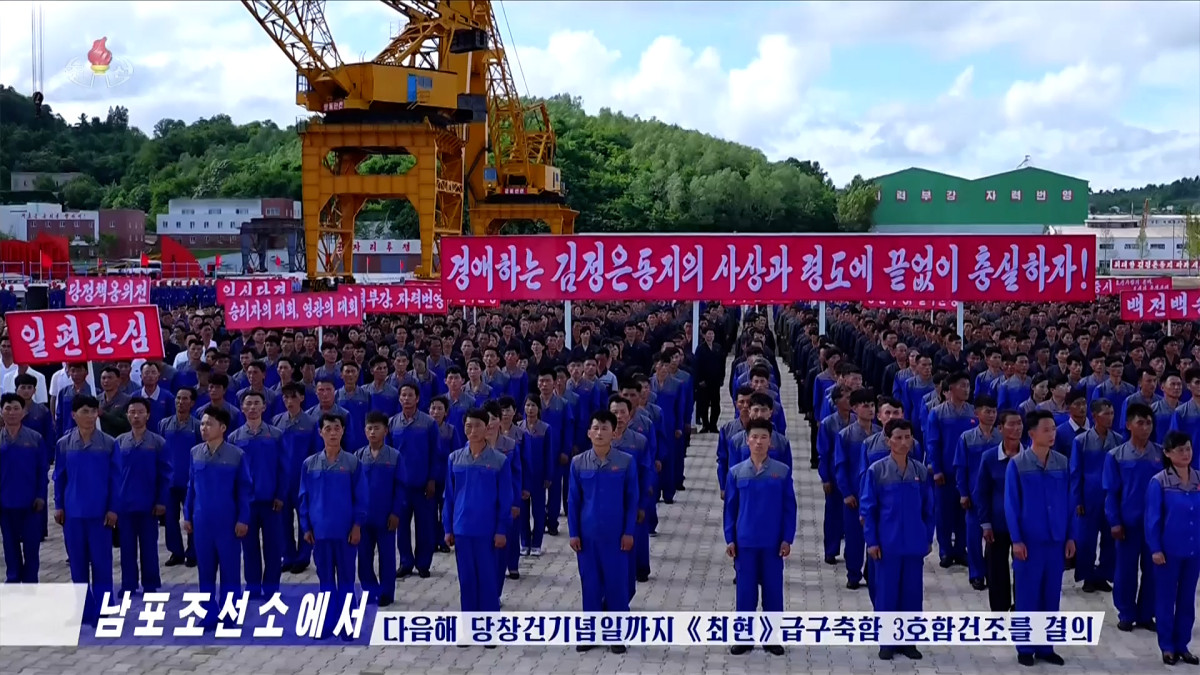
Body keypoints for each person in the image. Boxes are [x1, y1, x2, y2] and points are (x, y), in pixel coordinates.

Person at [1003, 409, 1074, 667]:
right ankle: (1025, 646)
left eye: (1054, 429)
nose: (1052, 434)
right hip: (1029, 542)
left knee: (1051, 595)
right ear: (1032, 433)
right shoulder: (1018, 464)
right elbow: (1011, 505)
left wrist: (1070, 536)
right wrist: (1017, 539)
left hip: (1055, 540)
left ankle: (1046, 646)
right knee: (1027, 595)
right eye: (1046, 429)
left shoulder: (1062, 463)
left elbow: (1069, 501)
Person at [860, 418, 933, 661]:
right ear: (887, 440)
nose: (904, 442)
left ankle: (909, 641)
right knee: (887, 593)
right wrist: (872, 541)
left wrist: (927, 537)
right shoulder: (877, 471)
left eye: (908, 437)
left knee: (912, 593)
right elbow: (868, 509)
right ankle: (887, 641)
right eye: (898, 437)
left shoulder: (920, 471)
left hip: (913, 543)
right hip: (886, 543)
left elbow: (928, 508)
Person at [722, 418, 794, 657]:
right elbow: (730, 509)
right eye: (754, 437)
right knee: (745, 592)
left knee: (773, 591)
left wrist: (787, 538)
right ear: (747, 440)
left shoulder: (781, 472)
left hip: (773, 543)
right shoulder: (736, 472)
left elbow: (789, 507)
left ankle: (772, 638)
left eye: (764, 437)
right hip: (745, 543)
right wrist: (729, 538)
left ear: (770, 441)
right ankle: (744, 638)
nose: (759, 442)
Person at [569, 410, 638, 654]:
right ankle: (589, 633)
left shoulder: (625, 462)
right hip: (587, 538)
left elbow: (632, 500)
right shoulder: (578, 463)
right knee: (590, 585)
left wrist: (629, 532)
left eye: (605, 428)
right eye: (595, 428)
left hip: (616, 536)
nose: (599, 433)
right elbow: (573, 501)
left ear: (614, 432)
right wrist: (573, 533)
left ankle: (617, 635)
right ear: (589, 432)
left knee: (616, 586)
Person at [299, 413, 368, 640]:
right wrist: (306, 526)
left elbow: (361, 497)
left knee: (347, 579)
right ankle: (326, 623)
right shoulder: (309, 464)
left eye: (336, 428)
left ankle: (348, 624)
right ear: (320, 432)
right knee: (325, 580)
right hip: (320, 533)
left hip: (346, 531)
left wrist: (357, 525)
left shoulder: (352, 462)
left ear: (343, 431)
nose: (332, 433)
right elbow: (304, 497)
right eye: (327, 429)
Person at [184, 406, 253, 629]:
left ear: (222, 428)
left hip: (228, 521)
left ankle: (230, 613)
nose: (204, 428)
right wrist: (187, 515)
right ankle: (208, 613)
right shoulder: (195, 452)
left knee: (230, 569)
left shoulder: (236, 455)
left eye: (209, 424)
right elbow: (190, 487)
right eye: (202, 424)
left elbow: (244, 489)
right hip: (202, 521)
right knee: (205, 570)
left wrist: (243, 518)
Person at [54, 395, 117, 624]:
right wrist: (59, 505)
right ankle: (83, 608)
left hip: (100, 514)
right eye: (84, 411)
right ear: (73, 415)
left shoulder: (109, 443)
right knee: (78, 565)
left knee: (102, 563)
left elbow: (115, 479)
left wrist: (112, 509)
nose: (89, 416)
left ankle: (105, 608)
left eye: (93, 411)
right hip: (73, 514)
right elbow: (59, 477)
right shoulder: (64, 444)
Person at [442, 408, 512, 616]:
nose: (473, 430)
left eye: (478, 425)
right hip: (462, 528)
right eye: (468, 426)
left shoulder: (499, 460)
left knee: (488, 578)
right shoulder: (454, 459)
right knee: (467, 579)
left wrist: (501, 529)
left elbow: (505, 498)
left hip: (487, 530)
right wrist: (448, 528)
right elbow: (449, 496)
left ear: (487, 428)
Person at [1104, 403, 1163, 632]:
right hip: (1128, 523)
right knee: (1126, 570)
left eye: (1149, 423)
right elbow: (1111, 492)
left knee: (1153, 571)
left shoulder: (1160, 454)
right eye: (1140, 422)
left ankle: (1147, 613)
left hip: (1154, 525)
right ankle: (1126, 613)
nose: (1145, 427)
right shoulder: (1116, 456)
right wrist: (1114, 521)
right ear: (1128, 425)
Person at [1144, 431, 1199, 666]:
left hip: (1193, 550)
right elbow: (1152, 519)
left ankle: (1182, 644)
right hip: (1167, 552)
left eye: (1188, 448)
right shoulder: (1159, 482)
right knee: (1166, 599)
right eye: (1179, 450)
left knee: (1187, 600)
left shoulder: (1198, 480)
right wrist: (1155, 548)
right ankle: (1167, 645)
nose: (1185, 453)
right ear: (1167, 453)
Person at [228, 391, 287, 598]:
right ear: (242, 408)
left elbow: (283, 468)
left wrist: (280, 495)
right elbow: (232, 473)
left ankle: (271, 588)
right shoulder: (234, 438)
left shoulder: (276, 434)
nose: (252, 407)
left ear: (264, 407)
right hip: (246, 503)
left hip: (271, 502)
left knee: (273, 547)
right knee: (249, 547)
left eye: (256, 403)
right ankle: (253, 586)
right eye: (248, 404)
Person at [112, 397, 170, 594]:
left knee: (149, 548)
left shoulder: (157, 442)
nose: (136, 416)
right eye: (132, 412)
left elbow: (165, 474)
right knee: (127, 548)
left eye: (140, 412)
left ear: (148, 415)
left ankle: (151, 583)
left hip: (149, 505)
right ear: (127, 415)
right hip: (124, 505)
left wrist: (161, 501)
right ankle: (128, 584)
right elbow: (113, 474)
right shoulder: (119, 442)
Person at [973, 409, 1024, 612]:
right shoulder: (989, 458)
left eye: (1019, 423)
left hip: (1023, 525)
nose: (1017, 428)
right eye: (1011, 424)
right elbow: (982, 492)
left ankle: (1022, 606)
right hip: (997, 523)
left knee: (1023, 570)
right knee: (996, 571)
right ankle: (1000, 611)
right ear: (1000, 428)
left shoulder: (1030, 456)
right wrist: (985, 523)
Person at [355, 411, 406, 607]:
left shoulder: (394, 456)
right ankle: (369, 590)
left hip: (386, 516)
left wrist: (395, 513)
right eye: (369, 428)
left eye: (377, 428)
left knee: (387, 557)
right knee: (364, 558)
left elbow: (400, 487)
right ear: (365, 431)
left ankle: (386, 592)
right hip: (363, 518)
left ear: (386, 430)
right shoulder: (358, 456)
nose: (373, 432)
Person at [389, 383, 439, 579]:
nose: (407, 398)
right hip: (401, 485)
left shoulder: (428, 423)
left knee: (425, 527)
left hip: (423, 483)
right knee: (401, 527)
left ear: (418, 398)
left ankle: (423, 563)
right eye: (404, 395)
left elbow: (435, 452)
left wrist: (432, 478)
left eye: (411, 395)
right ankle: (406, 562)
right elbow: (389, 455)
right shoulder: (393, 423)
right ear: (399, 398)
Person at [1070, 398, 1121, 593]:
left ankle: (1103, 575)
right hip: (1089, 496)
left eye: (1112, 413)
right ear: (1095, 416)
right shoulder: (1081, 441)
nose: (1110, 417)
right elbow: (1076, 473)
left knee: (1110, 539)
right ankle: (1087, 576)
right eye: (1105, 413)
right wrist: (1077, 500)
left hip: (1110, 497)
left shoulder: (1117, 439)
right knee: (1086, 540)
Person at [833, 389, 880, 590]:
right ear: (854, 408)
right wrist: (846, 492)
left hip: (876, 495)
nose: (870, 409)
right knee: (854, 537)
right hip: (854, 493)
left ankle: (873, 572)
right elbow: (840, 465)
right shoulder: (845, 435)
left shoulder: (881, 433)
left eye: (872, 405)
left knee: (875, 534)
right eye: (865, 405)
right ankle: (853, 573)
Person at [0, 392, 49, 582]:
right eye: (8, 408)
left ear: (24, 412)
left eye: (16, 408)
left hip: (30, 503)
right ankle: (13, 579)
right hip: (5, 504)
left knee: (31, 546)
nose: (12, 412)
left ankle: (30, 582)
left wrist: (40, 496)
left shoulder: (35, 438)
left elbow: (42, 470)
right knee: (10, 546)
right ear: (1, 412)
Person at [160, 387, 201, 568]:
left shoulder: (198, 426)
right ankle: (175, 552)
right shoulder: (164, 425)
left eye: (185, 399)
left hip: (190, 480)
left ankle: (193, 552)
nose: (180, 402)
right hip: (169, 480)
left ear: (192, 403)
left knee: (191, 518)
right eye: (178, 398)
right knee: (170, 520)